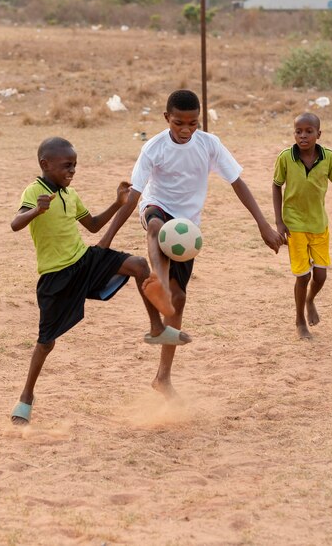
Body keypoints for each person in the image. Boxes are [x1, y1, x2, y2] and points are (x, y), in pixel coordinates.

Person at [98, 89, 284, 399]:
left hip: (187, 230)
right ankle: (157, 279)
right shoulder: (153, 148)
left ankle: (163, 377)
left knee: (179, 300)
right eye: (178, 123)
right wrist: (106, 239)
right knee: (156, 225)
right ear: (166, 119)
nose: (185, 130)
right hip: (157, 207)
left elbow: (237, 181)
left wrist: (263, 224)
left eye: (192, 123)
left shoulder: (209, 145)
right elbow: (133, 196)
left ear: (199, 121)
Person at [10, 136, 190, 425]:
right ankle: (26, 397)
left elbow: (92, 225)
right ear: (45, 164)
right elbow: (15, 224)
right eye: (66, 166)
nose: (72, 171)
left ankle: (156, 327)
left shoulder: (71, 194)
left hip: (84, 260)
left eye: (75, 166)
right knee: (46, 343)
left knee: (138, 265)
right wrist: (37, 210)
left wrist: (118, 203)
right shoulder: (34, 192)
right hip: (56, 277)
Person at [273, 112, 332, 340]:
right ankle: (300, 320)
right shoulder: (285, 157)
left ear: (318, 134)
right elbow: (276, 185)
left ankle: (310, 300)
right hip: (294, 224)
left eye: (309, 131)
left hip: (319, 224)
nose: (303, 136)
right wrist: (279, 222)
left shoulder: (330, 158)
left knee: (320, 277)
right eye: (298, 131)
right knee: (302, 276)